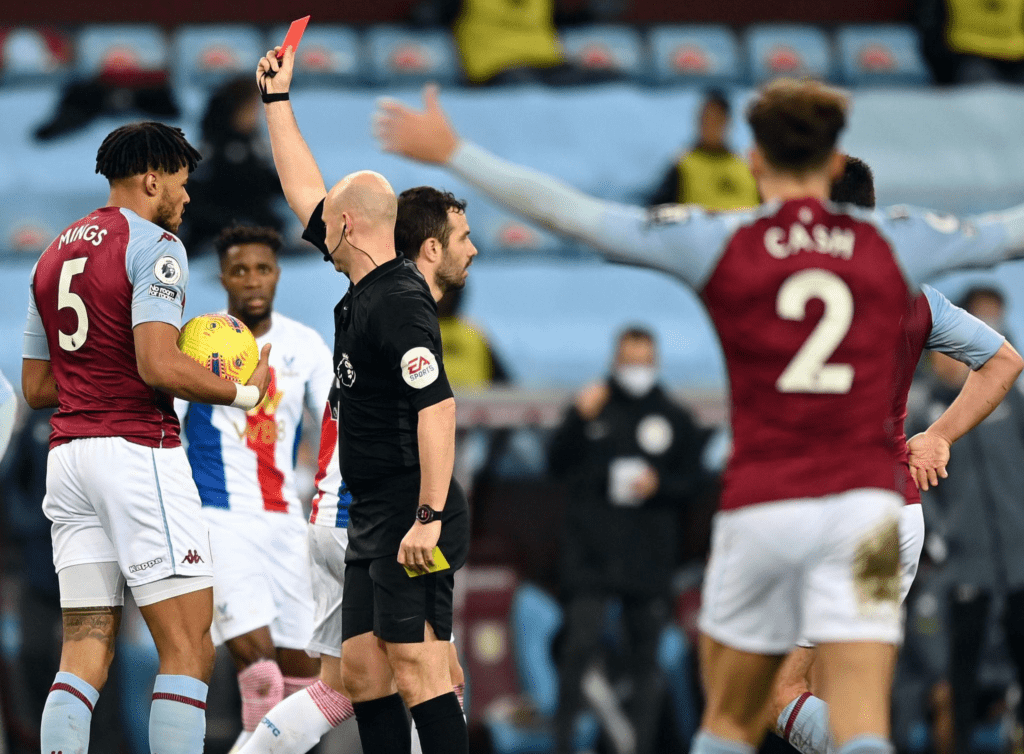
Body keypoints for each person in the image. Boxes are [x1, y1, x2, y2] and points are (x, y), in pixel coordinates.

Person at [374, 78, 1024, 754]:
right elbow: (1008, 237)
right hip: (874, 513)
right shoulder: (901, 250)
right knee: (859, 715)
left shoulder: (724, 239)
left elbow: (579, 216)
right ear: (836, 163)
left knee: (737, 716)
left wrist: (455, 152)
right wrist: (940, 434)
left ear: (754, 166)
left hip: (768, 509)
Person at [20, 121, 272, 754]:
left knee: (82, 650)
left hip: (69, 460)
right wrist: (245, 391)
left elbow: (36, 385)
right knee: (188, 645)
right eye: (182, 186)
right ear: (152, 178)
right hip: (135, 453)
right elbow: (160, 366)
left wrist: (103, 373)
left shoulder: (50, 254)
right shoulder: (155, 244)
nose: (187, 200)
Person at [257, 47, 473, 754]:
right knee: (363, 671)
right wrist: (276, 103)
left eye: (328, 220)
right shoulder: (365, 290)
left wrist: (429, 516)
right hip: (372, 509)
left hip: (415, 506)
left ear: (347, 227)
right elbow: (302, 190)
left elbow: (437, 409)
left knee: (418, 669)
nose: (315, 224)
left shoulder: (401, 303)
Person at [768, 156, 1024, 754]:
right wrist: (939, 436)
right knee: (836, 685)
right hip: (896, 520)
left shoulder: (785, 286)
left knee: (780, 691)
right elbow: (1005, 361)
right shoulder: (914, 295)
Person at [175, 224, 333, 752]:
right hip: (217, 518)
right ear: (222, 276)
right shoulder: (194, 343)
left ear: (277, 273)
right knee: (259, 671)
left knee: (303, 679)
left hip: (286, 521)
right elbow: (164, 431)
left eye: (262, 269)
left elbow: (335, 427)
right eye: (240, 270)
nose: (252, 281)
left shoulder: (304, 345)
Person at [547, 326, 708, 754]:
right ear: (614, 362)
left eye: (643, 362)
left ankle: (639, 745)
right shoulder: (593, 409)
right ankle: (563, 742)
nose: (636, 371)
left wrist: (661, 484)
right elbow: (555, 463)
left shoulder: (674, 417)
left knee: (645, 664)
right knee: (577, 649)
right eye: (628, 362)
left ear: (655, 364)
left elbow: (696, 482)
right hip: (591, 559)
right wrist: (579, 419)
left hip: (648, 562)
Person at [910, 347, 1024, 754]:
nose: (952, 362)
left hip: (1018, 557)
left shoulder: (1008, 398)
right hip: (965, 563)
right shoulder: (926, 413)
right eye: (944, 354)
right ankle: (956, 745)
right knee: (961, 668)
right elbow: (919, 483)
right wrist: (937, 533)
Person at [179, 77, 286, 254]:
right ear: (233, 111)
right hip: (216, 219)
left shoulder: (253, 144)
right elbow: (196, 188)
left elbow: (264, 177)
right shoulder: (213, 146)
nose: (255, 116)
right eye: (250, 110)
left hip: (253, 214)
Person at [647, 90, 759, 211]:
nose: (710, 126)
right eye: (706, 119)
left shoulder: (747, 167)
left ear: (727, 122)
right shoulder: (682, 165)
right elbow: (658, 212)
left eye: (716, 119)